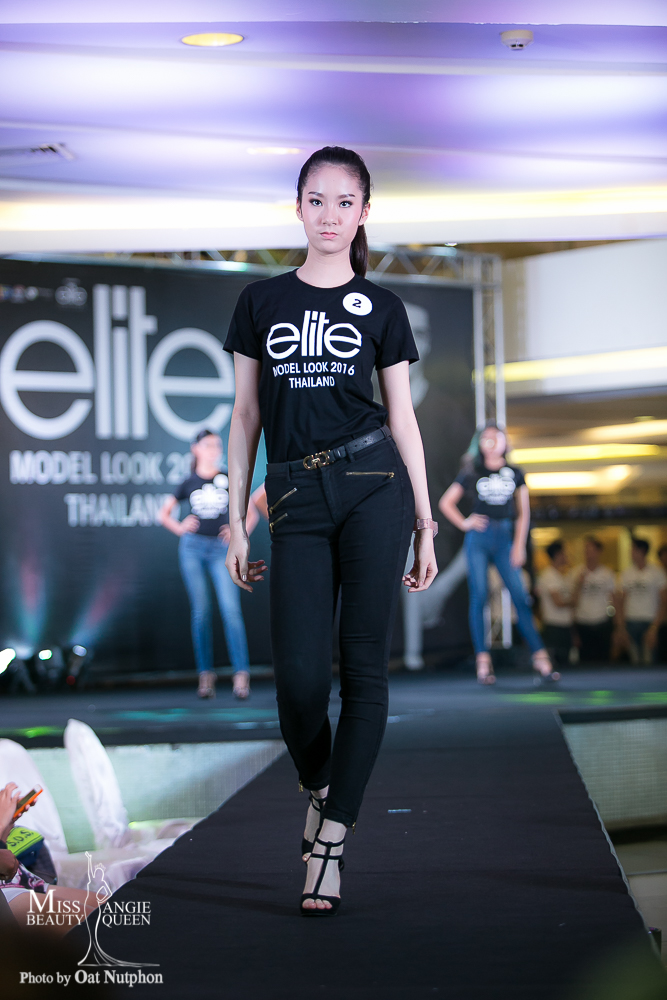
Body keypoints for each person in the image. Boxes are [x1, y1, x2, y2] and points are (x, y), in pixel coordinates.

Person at [223, 146, 437, 916]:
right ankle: (320, 788)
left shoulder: (381, 308)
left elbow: (402, 418)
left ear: (364, 213)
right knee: (299, 686)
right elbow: (245, 415)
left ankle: (331, 843)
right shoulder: (260, 300)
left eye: (344, 202)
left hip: (373, 484)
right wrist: (234, 517)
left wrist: (424, 519)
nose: (329, 215)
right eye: (316, 200)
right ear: (297, 207)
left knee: (364, 673)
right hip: (292, 494)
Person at [439, 420, 558, 685]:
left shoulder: (515, 473)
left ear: (505, 442)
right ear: (480, 443)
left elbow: (523, 513)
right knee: (479, 596)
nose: (491, 443)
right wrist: (465, 523)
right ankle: (483, 660)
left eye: (496, 437)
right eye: (486, 438)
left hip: (505, 537)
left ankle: (540, 657)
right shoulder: (472, 470)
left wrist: (519, 544)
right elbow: (446, 502)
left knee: (520, 596)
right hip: (479, 538)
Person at [159, 429, 260, 700]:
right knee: (201, 612)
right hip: (193, 549)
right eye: (208, 445)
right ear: (196, 449)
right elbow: (163, 514)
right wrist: (180, 528)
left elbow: (251, 513)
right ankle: (206, 675)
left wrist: (238, 534)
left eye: (217, 445)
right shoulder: (188, 481)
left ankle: (241, 675)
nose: (214, 450)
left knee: (230, 610)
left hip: (221, 551)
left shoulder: (227, 477)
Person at [0, 782, 100, 935]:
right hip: (5, 893)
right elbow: (6, 864)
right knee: (101, 927)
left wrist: (7, 823)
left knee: (113, 910)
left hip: (18, 882)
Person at [615, 537, 667, 665]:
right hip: (631, 622)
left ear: (642, 551)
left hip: (650, 622)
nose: (630, 553)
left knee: (649, 661)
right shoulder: (626, 574)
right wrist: (621, 627)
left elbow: (664, 602)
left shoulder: (657, 573)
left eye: (633, 550)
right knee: (633, 661)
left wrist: (654, 628)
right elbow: (621, 602)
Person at [573, 536, 615, 663]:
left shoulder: (607, 574)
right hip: (583, 623)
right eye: (586, 551)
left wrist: (617, 625)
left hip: (602, 622)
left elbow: (613, 599)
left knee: (603, 659)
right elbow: (572, 601)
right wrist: (579, 584)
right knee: (585, 661)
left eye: (591, 551)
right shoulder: (576, 572)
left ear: (598, 552)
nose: (588, 555)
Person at [536, 540, 575, 669]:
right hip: (554, 626)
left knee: (566, 662)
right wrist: (573, 601)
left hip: (565, 625)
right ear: (558, 555)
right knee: (556, 663)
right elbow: (558, 602)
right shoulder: (548, 575)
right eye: (564, 553)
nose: (567, 556)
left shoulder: (563, 576)